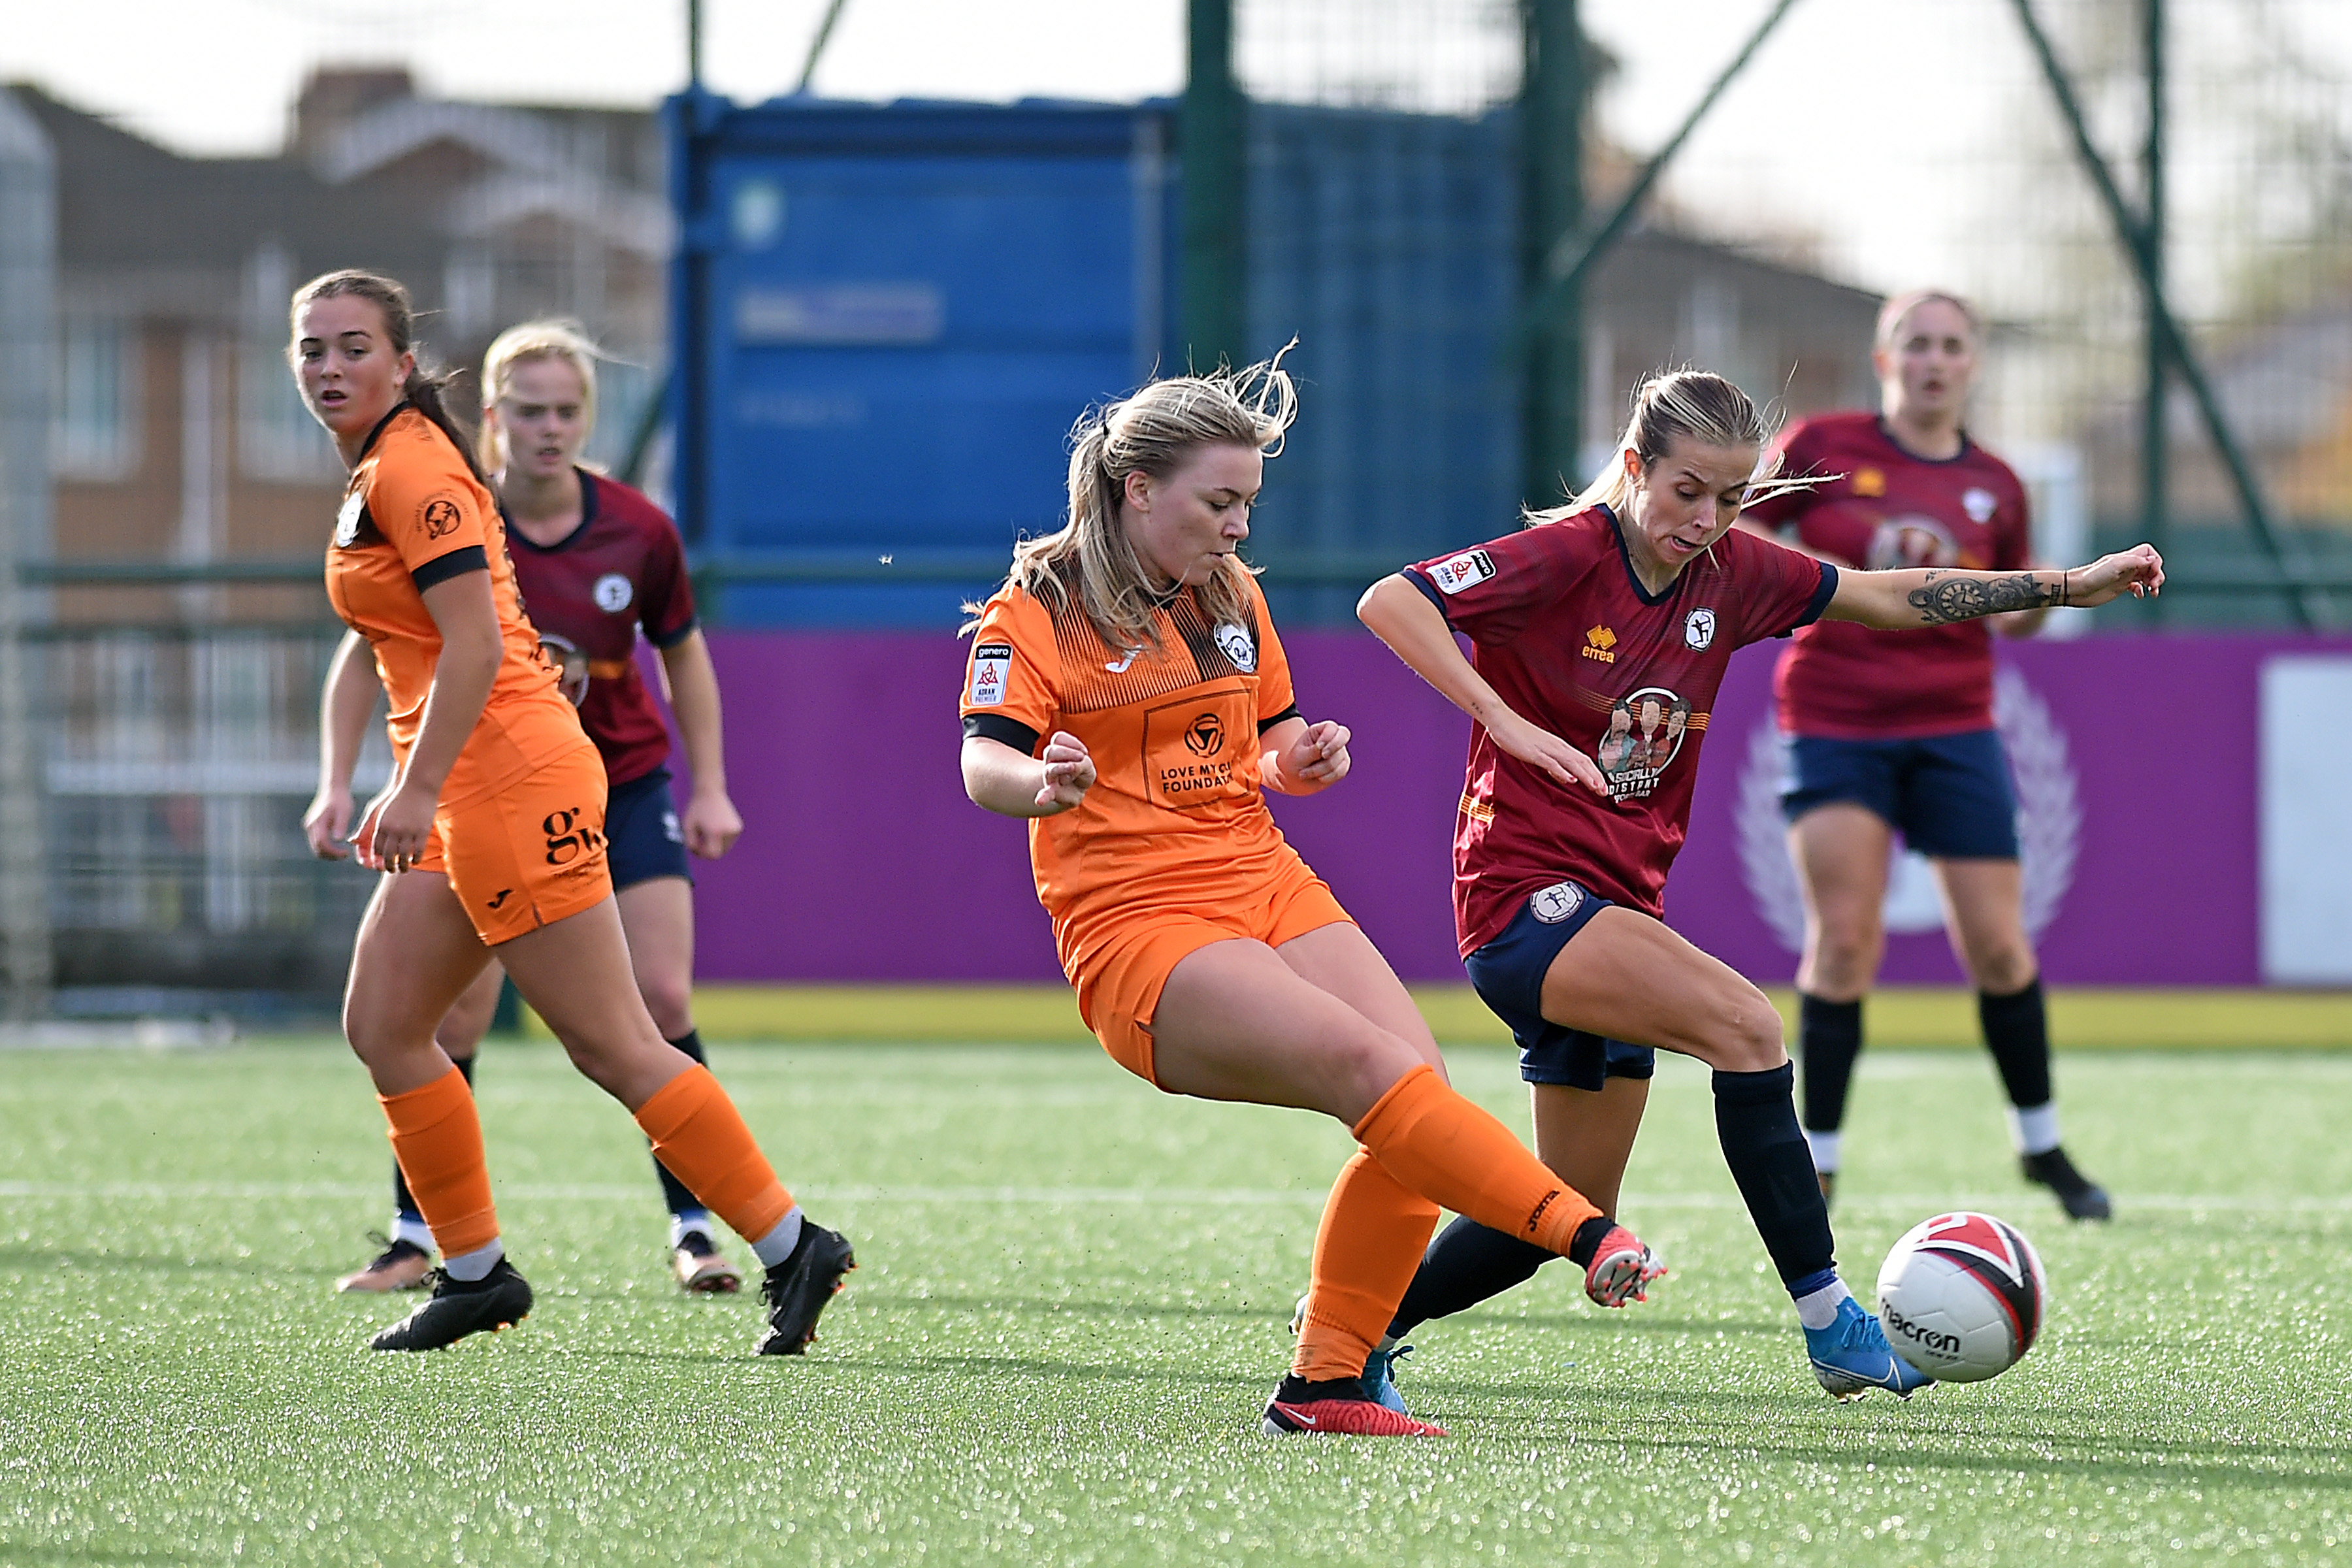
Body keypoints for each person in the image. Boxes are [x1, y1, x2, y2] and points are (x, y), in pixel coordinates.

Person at [1354, 369, 2160, 1397]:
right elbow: (1393, 601)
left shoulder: (1732, 575)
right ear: (1636, 467)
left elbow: (1884, 596)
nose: (1708, 518)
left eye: (1733, 498)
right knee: (1747, 1028)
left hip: (1614, 908)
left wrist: (2056, 585)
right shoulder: (1566, 553)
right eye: (1688, 490)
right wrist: (1503, 722)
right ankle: (1829, 1319)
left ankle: (1355, 1324)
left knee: (1553, 1208)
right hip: (1525, 901)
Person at [958, 358, 1664, 1439]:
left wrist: (1300, 760)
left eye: (1248, 503)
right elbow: (984, 766)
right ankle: (1582, 1233)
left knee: (1413, 1085)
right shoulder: (1038, 610)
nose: (1240, 527)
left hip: (1263, 877)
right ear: (1139, 488)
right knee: (1375, 1077)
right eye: (1219, 502)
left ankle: (1327, 1384)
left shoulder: (1232, 596)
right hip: (1140, 927)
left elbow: (1270, 739)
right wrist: (1039, 783)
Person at [287, 269, 851, 1352]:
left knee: (616, 1042)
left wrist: (407, 787)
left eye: (353, 347)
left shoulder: (416, 471)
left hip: (507, 781)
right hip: (469, 784)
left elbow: (480, 647)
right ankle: (474, 1271)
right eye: (311, 350)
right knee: (389, 1026)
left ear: (404, 364)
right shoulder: (383, 469)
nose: (329, 368)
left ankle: (791, 1245)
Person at [316, 320, 753, 1297]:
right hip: (480, 792)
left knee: (661, 1001)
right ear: (494, 416)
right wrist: (336, 778)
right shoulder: (452, 505)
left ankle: (695, 1225)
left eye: (568, 411)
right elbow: (368, 643)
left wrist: (712, 783)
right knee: (445, 1014)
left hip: (622, 781)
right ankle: (420, 1234)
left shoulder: (639, 530)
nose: (549, 429)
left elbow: (683, 656)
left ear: (588, 418)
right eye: (529, 410)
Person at [1737, 291, 2113, 1221]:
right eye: (1917, 344)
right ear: (1884, 357)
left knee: (1996, 944)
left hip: (1956, 726)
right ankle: (1819, 1159)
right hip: (1835, 722)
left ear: (1973, 364)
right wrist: (1827, 589)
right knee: (1846, 939)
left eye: (1952, 346)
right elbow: (1740, 534)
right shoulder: (1821, 446)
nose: (1934, 361)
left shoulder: (1999, 482)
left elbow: (2023, 615)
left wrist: (1985, 588)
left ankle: (2041, 1143)